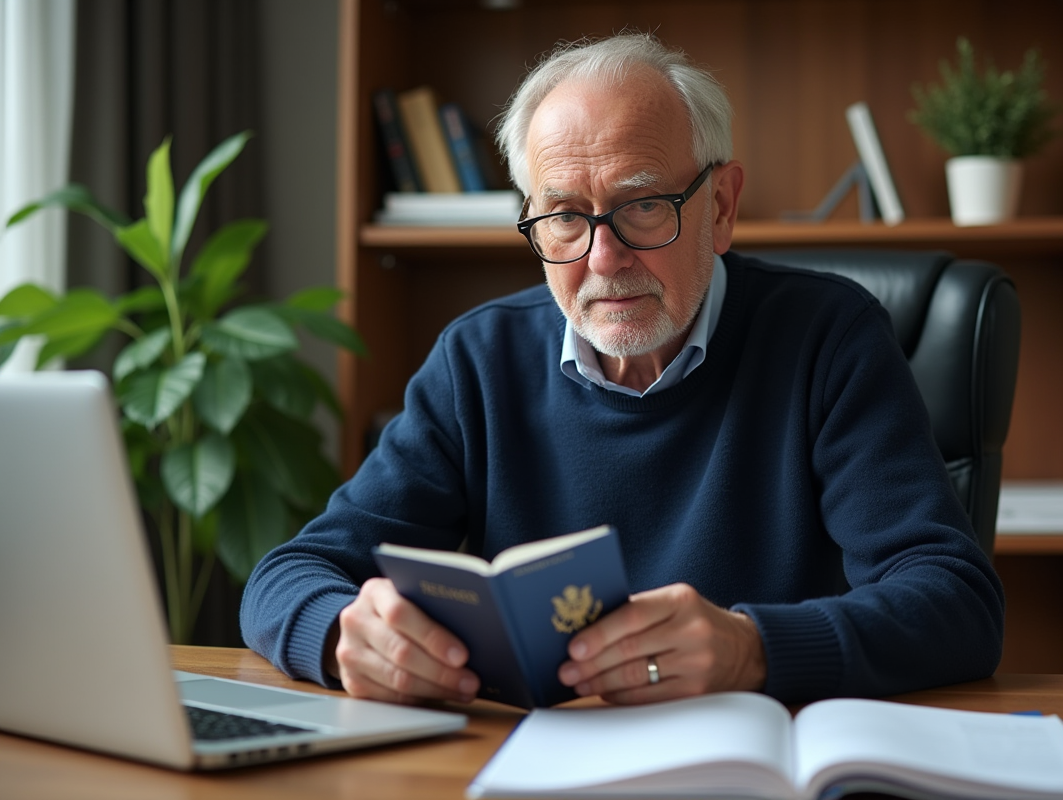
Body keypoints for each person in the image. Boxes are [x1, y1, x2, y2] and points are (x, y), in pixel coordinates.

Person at [241, 32, 1004, 707]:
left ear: (721, 206)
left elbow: (957, 602)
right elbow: (290, 573)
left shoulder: (829, 338)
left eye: (642, 206)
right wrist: (339, 633)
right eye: (565, 217)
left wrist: (753, 649)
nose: (603, 259)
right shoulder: (479, 359)